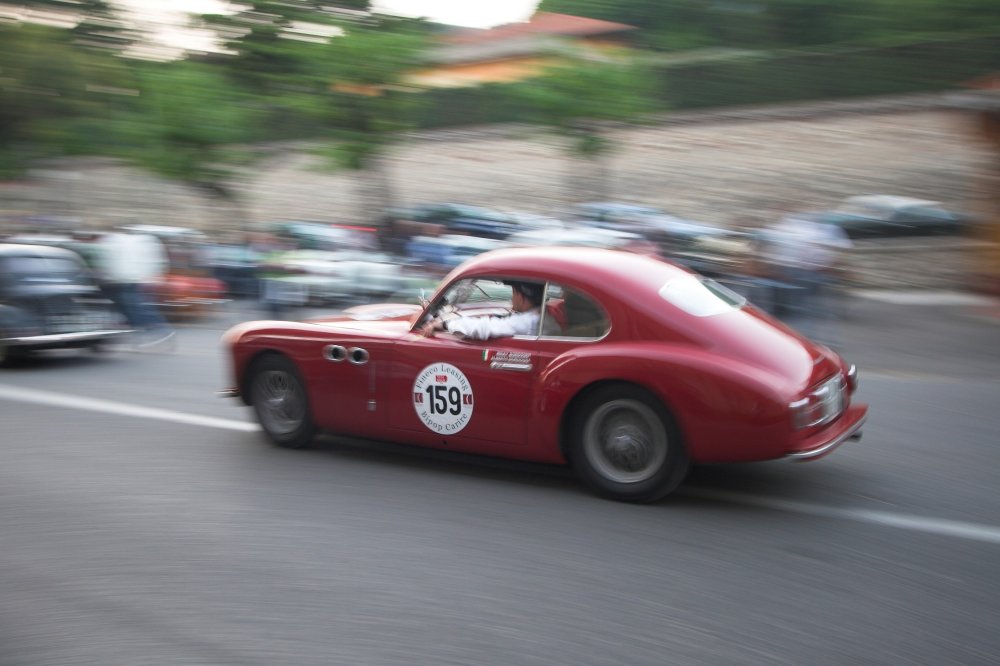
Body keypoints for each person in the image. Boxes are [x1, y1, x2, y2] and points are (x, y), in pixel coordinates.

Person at [95, 230, 175, 347]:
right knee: (140, 306)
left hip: (122, 279)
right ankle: (155, 330)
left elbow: (107, 260)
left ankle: (156, 330)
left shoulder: (112, 240)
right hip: (135, 278)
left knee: (133, 307)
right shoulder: (144, 241)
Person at [420, 281, 543, 340]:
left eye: (513, 292)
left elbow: (483, 329)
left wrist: (445, 323)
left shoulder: (527, 321)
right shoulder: (539, 315)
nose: (512, 297)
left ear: (520, 297)